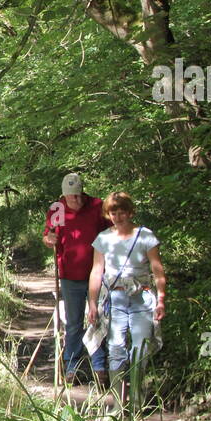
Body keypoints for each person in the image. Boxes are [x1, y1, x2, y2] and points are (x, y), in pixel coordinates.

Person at [87, 192, 167, 406]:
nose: (119, 217)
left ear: (130, 212)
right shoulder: (103, 239)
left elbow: (157, 269)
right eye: (114, 213)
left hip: (141, 298)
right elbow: (97, 272)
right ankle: (118, 404)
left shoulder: (145, 236)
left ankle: (137, 403)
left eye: (123, 212)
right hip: (115, 298)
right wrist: (92, 303)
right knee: (115, 349)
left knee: (140, 349)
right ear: (108, 214)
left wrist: (161, 300)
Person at [42, 173, 110, 386]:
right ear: (64, 196)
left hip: (97, 274)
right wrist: (49, 238)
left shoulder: (97, 206)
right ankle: (72, 367)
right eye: (72, 197)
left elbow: (111, 233)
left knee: (97, 320)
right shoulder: (57, 210)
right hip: (70, 276)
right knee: (73, 323)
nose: (77, 201)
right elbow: (47, 235)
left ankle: (100, 367)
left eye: (79, 196)